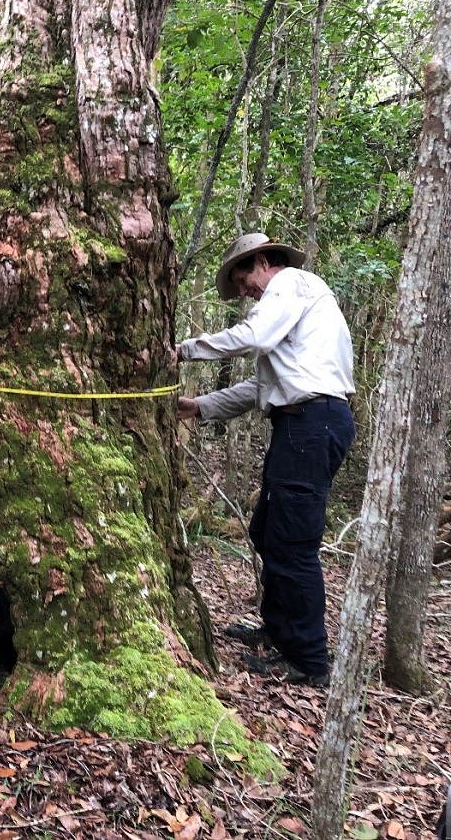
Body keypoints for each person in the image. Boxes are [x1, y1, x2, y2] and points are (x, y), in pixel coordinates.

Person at [176, 232, 354, 689]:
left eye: (242, 280)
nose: (243, 292)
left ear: (260, 261)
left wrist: (184, 349)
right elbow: (260, 390)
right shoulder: (294, 325)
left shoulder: (291, 283)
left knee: (293, 543)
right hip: (301, 425)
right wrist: (202, 406)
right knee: (267, 531)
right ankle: (278, 632)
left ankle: (308, 658)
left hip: (313, 424)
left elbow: (254, 337)